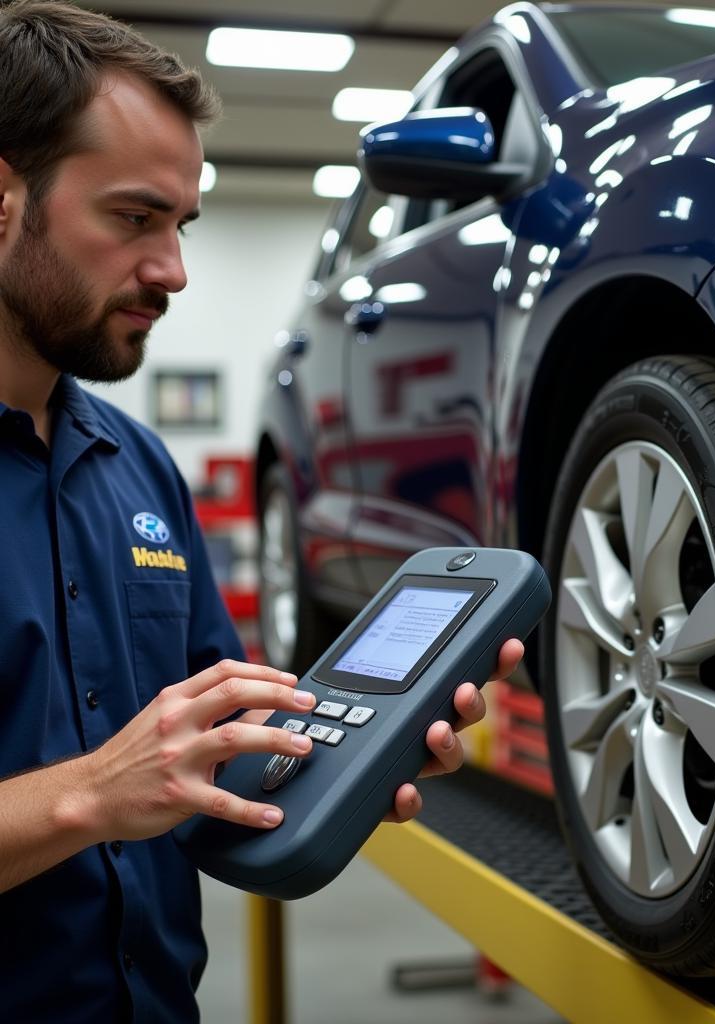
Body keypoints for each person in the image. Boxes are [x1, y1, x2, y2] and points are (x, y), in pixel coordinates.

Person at [0, 2, 525, 1020]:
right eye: (132, 217)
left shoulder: (138, 470)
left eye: (181, 225)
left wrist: (336, 766)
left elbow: (205, 767)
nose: (174, 271)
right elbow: (123, 784)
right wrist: (91, 795)